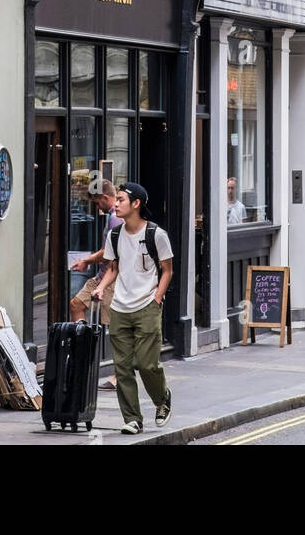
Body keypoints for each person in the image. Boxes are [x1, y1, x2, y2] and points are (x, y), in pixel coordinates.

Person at [92, 182, 174, 435]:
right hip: (119, 307)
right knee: (123, 367)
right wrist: (100, 288)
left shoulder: (156, 235)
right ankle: (132, 418)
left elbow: (167, 270)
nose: (116, 204)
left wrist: (157, 298)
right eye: (115, 199)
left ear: (136, 203)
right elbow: (113, 269)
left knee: (147, 364)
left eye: (121, 200)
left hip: (147, 306)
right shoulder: (114, 235)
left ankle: (162, 399)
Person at [70, 178, 118, 322]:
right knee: (76, 305)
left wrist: (86, 261)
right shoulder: (112, 216)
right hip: (102, 276)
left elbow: (108, 253)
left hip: (110, 279)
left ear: (106, 197)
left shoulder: (116, 219)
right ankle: (83, 336)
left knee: (109, 324)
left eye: (97, 203)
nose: (97, 208)